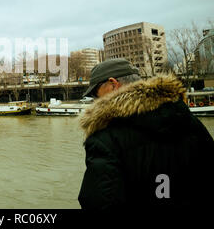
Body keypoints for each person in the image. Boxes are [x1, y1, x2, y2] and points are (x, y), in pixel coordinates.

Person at [78, 58, 214, 211]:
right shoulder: (189, 120)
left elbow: (99, 202)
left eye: (96, 95)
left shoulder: (106, 139)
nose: (95, 101)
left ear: (113, 85)